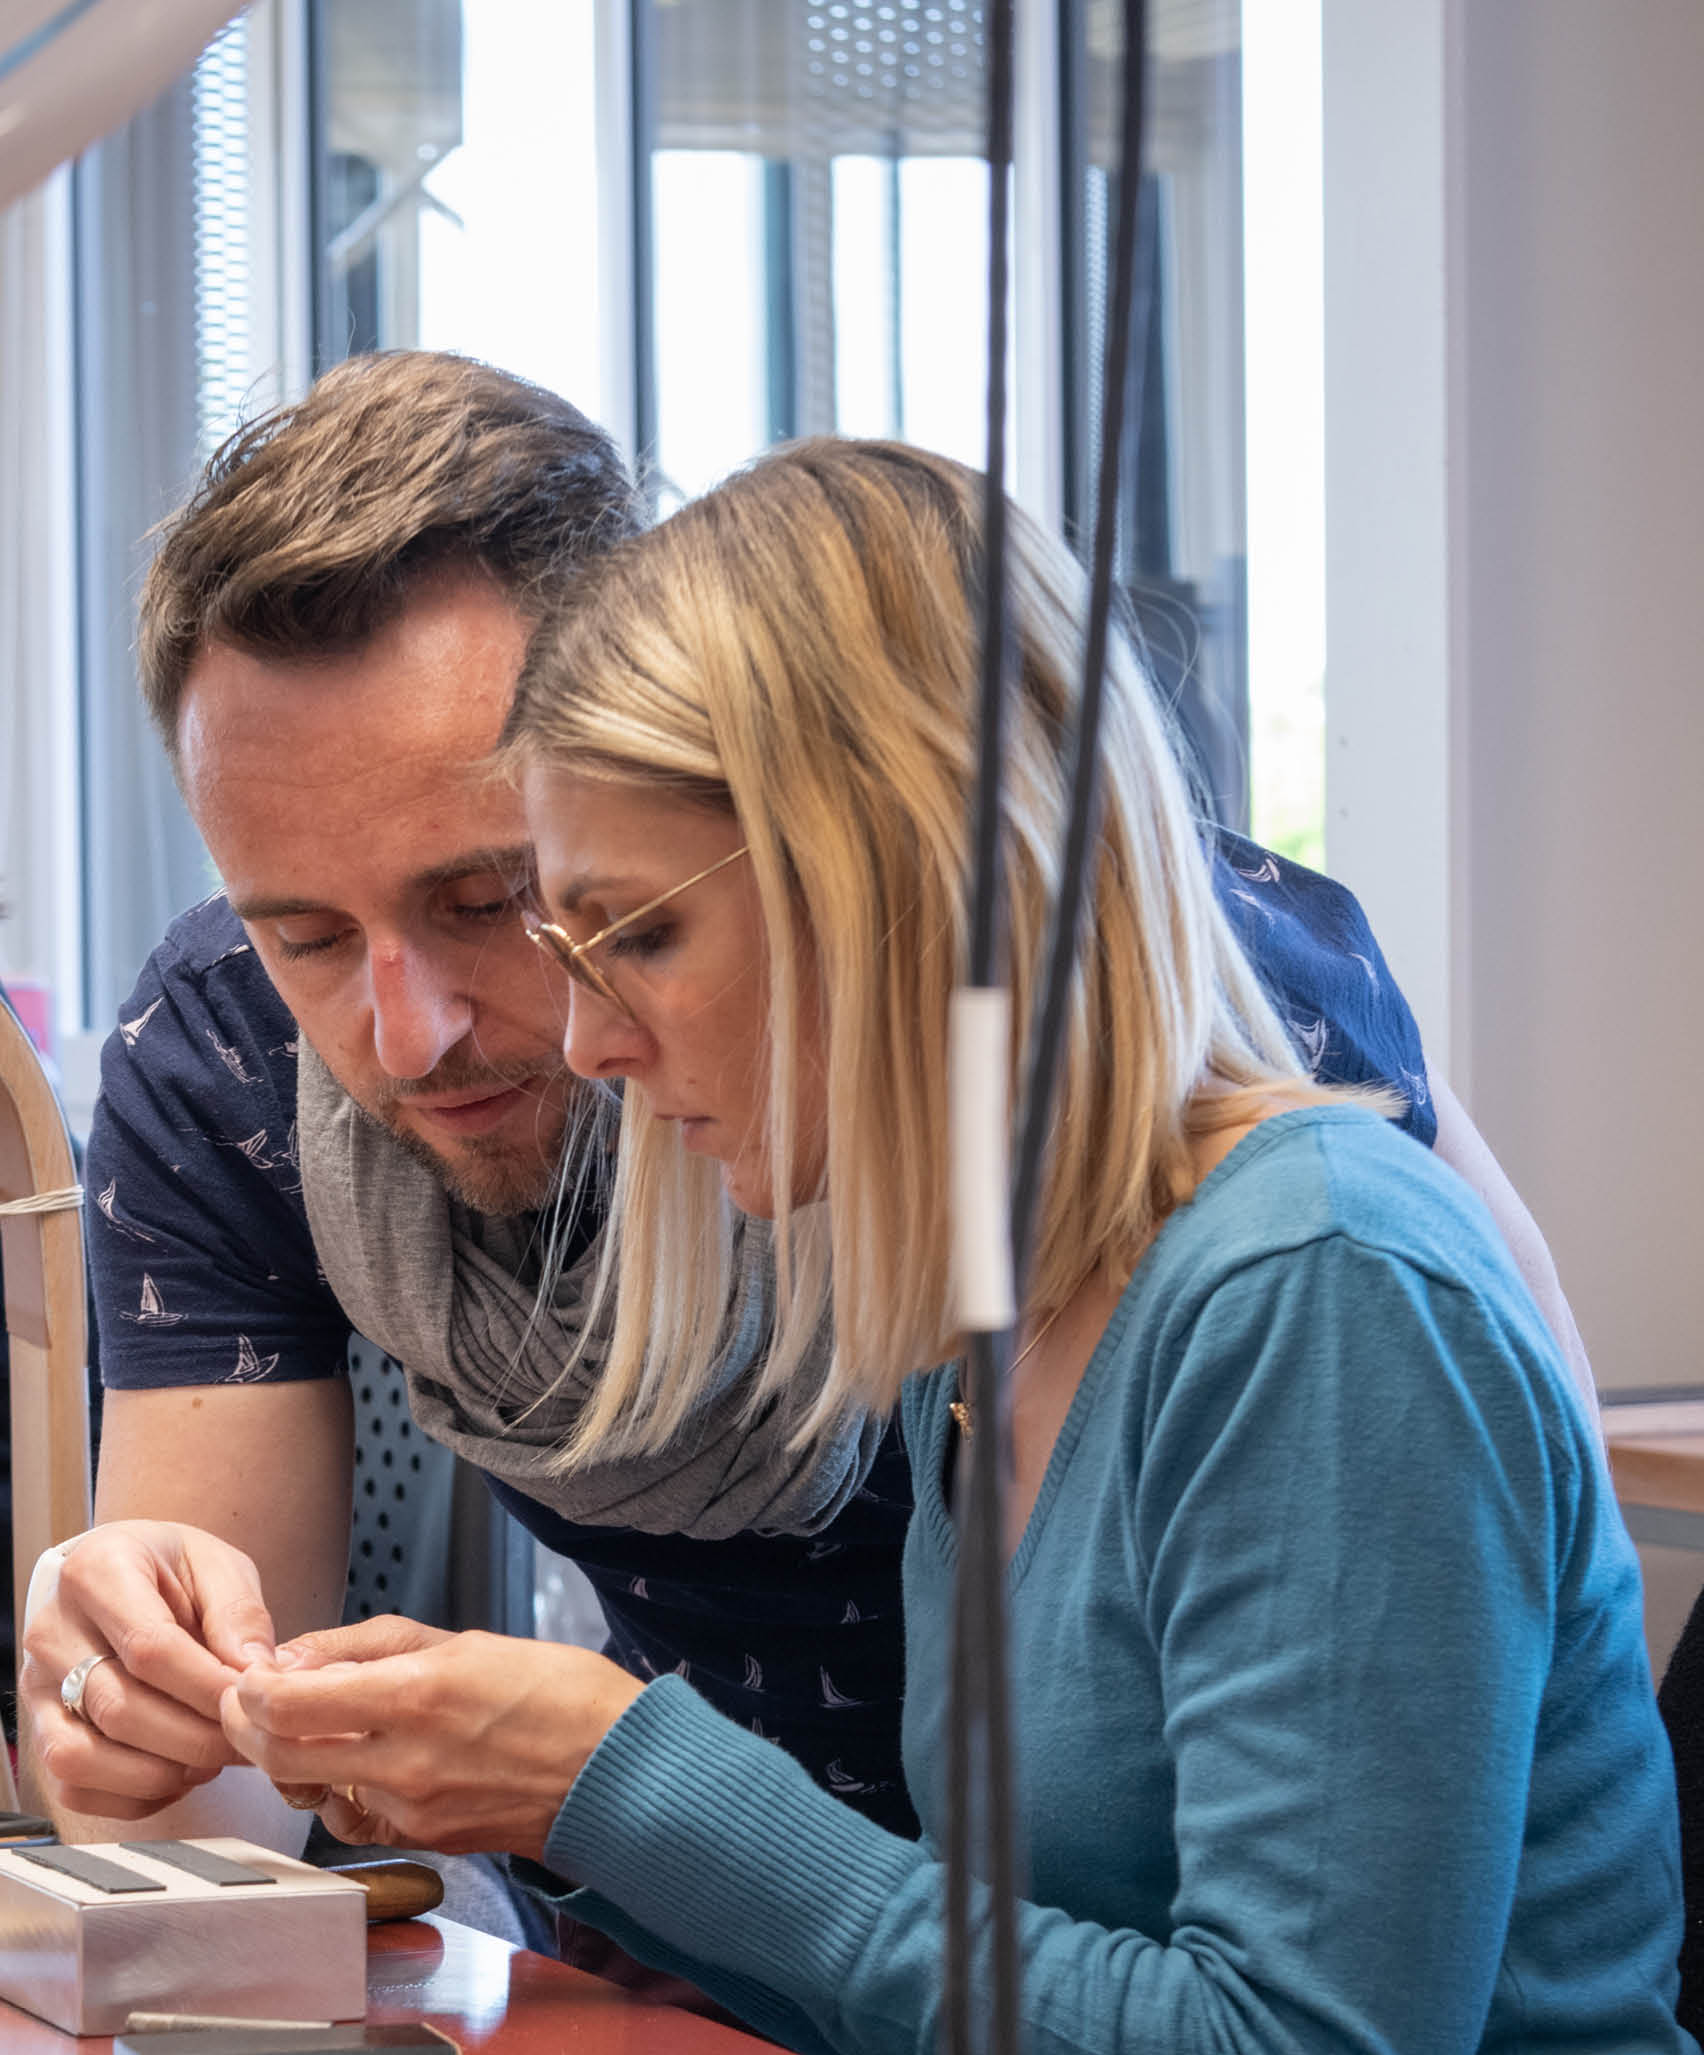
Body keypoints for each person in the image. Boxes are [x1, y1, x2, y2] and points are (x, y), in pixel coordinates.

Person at [220, 439, 1699, 2055]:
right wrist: (531, 1806)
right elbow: (1007, 2000)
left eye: (636, 938)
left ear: (906, 885)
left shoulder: (1320, 1293)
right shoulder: (980, 1330)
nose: (591, 1048)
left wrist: (624, 1770)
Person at [20, 350, 1583, 1862]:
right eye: (301, 933)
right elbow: (199, 1830)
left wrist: (617, 1790)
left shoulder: (1214, 1110)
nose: (412, 1033)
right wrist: (130, 1694)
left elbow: (1504, 1696)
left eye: (512, 898)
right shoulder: (234, 1059)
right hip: (819, 1989)